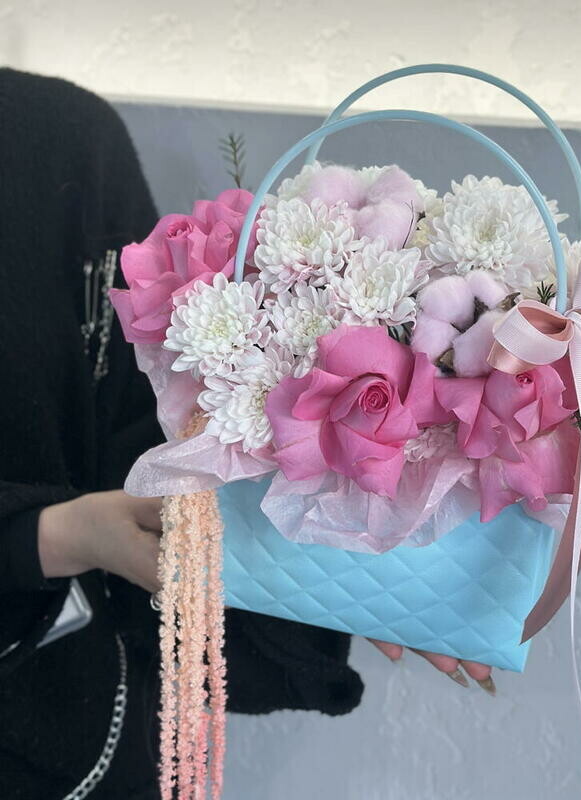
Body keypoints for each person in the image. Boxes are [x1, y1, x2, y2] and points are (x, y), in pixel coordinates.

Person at [0, 67, 492, 800]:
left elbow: (147, 459)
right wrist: (50, 537)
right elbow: (99, 519)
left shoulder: (60, 137)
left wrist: (339, 550)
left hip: (79, 744)